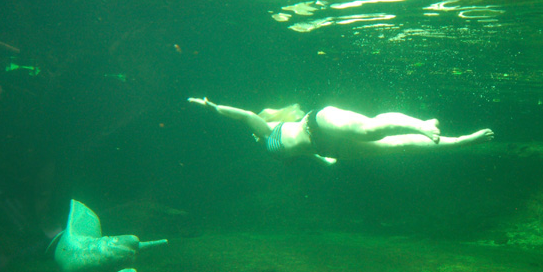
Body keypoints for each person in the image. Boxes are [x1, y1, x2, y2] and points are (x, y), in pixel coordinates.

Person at [188, 97, 493, 164]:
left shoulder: (267, 130)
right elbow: (306, 154)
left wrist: (213, 108)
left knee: (371, 129)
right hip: (329, 148)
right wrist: (325, 160)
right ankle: (461, 141)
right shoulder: (270, 147)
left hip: (317, 122)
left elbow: (244, 115)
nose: (250, 134)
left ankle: (421, 124)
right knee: (396, 146)